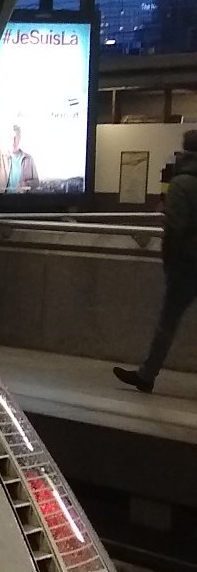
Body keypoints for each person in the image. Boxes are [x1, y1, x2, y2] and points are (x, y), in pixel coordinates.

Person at [115, 128, 197, 394]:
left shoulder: (181, 182)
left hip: (186, 266)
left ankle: (147, 374)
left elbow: (176, 226)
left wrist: (170, 260)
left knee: (168, 323)